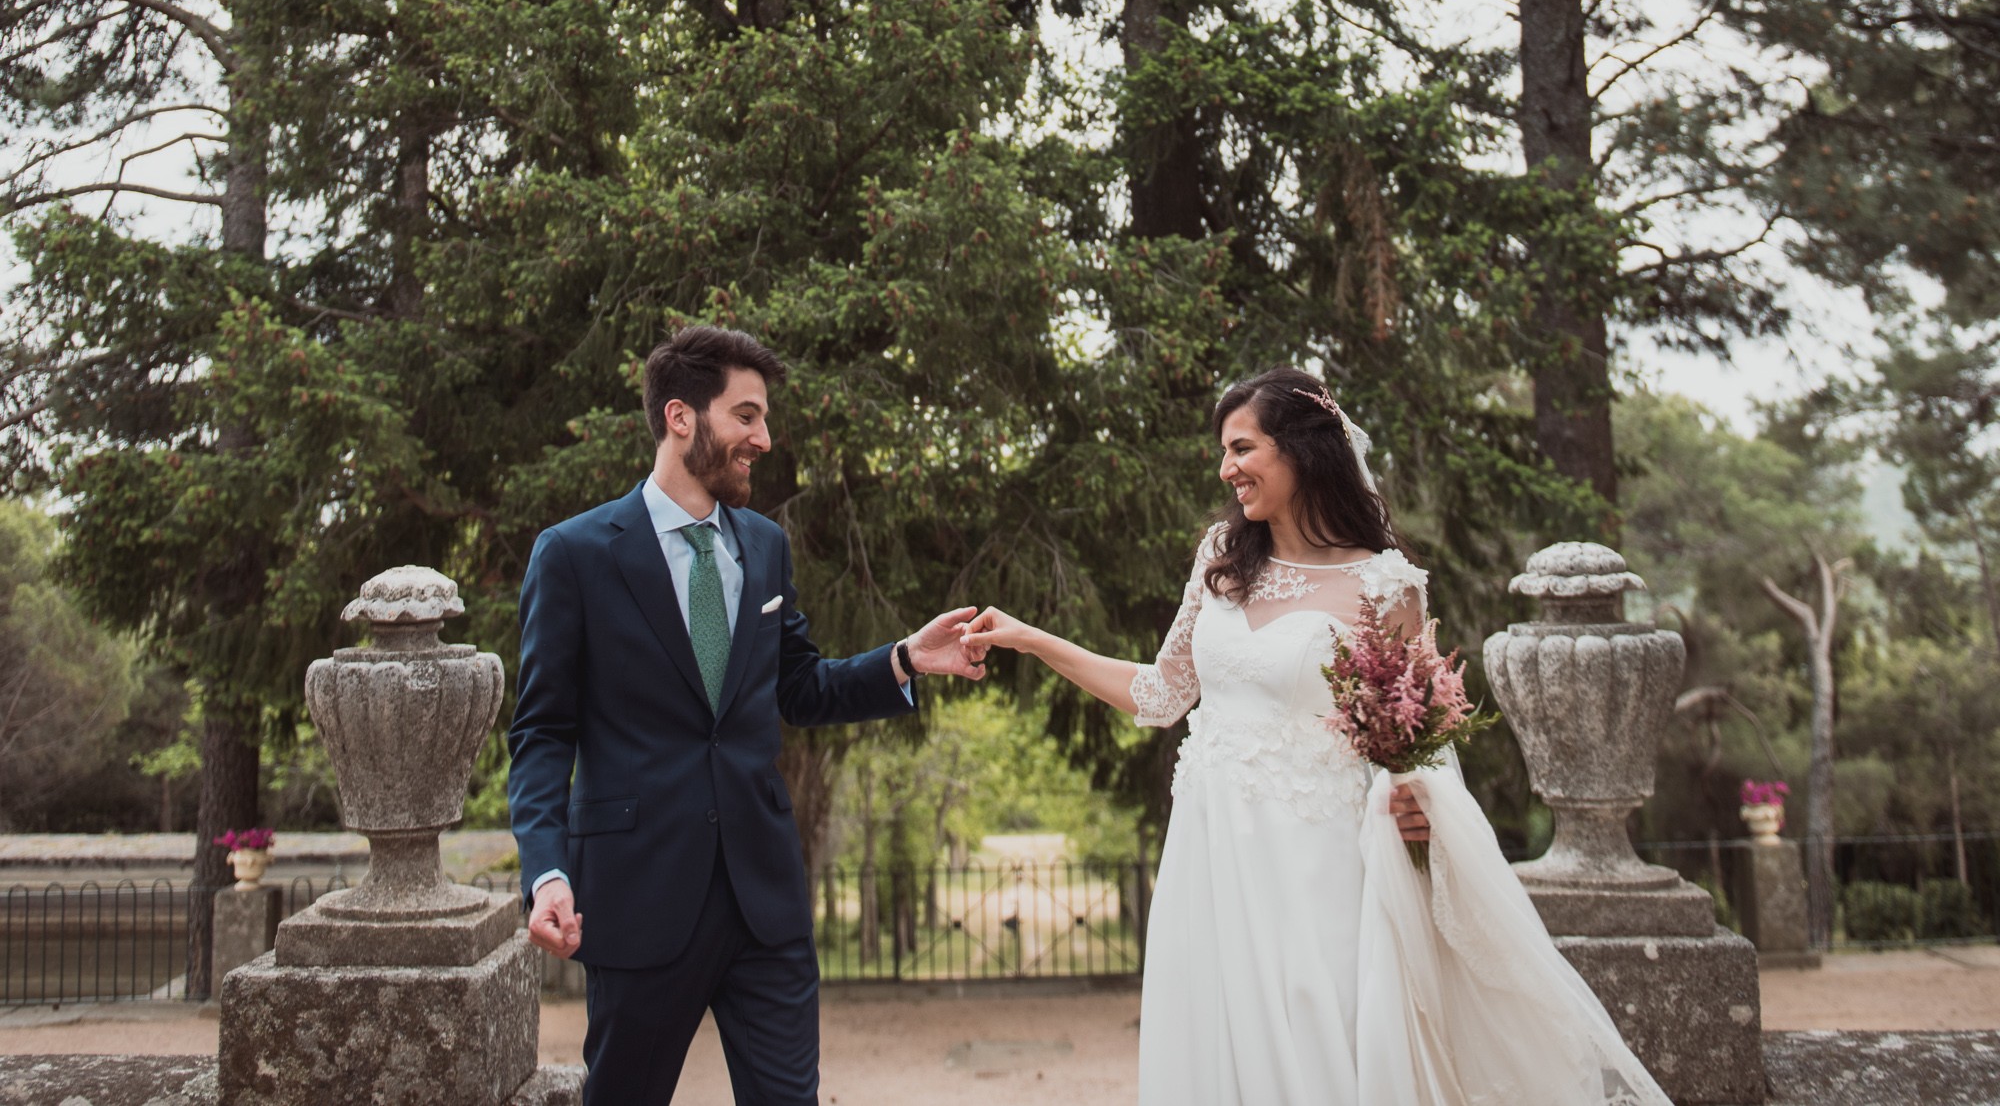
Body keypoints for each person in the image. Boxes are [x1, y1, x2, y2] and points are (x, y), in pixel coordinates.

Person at [964, 366, 1670, 1106]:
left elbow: (1417, 739)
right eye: (1224, 451)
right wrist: (1030, 638)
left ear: (1300, 449)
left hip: (1320, 861)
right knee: (1212, 1046)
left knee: (1320, 1042)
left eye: (1242, 448)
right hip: (1210, 851)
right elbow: (1161, 693)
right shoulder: (1219, 558)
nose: (1226, 468)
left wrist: (1418, 801)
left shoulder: (1384, 583)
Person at [507, 325, 989, 1105]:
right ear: (680, 417)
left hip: (765, 902)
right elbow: (541, 732)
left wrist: (903, 659)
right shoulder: (575, 553)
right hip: (639, 896)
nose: (764, 438)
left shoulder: (764, 546)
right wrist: (547, 870)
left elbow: (798, 686)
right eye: (747, 416)